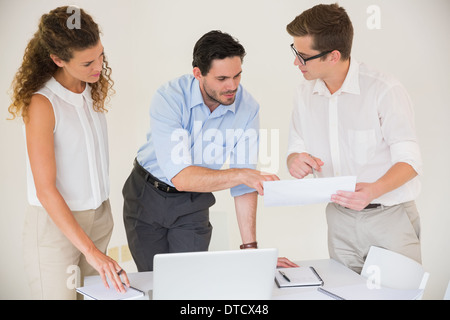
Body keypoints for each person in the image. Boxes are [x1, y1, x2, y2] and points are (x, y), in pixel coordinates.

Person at [123, 30, 297, 271]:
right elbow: (181, 177)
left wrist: (251, 251)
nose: (232, 86)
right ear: (198, 74)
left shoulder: (248, 109)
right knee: (154, 280)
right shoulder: (170, 97)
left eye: (237, 76)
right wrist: (240, 174)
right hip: (146, 195)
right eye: (222, 78)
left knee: (189, 279)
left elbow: (245, 186)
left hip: (193, 201)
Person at [285, 4, 423, 274]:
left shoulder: (384, 89)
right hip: (339, 218)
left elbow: (411, 161)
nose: (295, 63)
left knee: (398, 295)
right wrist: (295, 161)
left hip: (389, 215)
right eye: (294, 52)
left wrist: (373, 190)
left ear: (333, 56)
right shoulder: (303, 94)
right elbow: (296, 147)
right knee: (344, 292)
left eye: (303, 56)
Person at [8, 6, 130, 299]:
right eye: (88, 62)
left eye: (100, 54)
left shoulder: (90, 88)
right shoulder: (43, 103)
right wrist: (92, 253)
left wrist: (98, 233)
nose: (98, 66)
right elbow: (45, 189)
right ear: (57, 59)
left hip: (99, 218)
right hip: (55, 228)